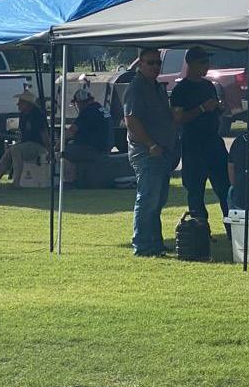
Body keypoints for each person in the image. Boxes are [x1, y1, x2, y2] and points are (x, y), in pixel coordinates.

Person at [125, 47, 179, 256]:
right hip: (147, 152)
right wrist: (150, 144)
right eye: (150, 62)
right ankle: (142, 245)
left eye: (158, 63)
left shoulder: (156, 86)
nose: (155, 66)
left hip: (162, 150)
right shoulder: (136, 88)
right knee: (148, 199)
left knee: (158, 200)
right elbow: (131, 120)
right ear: (140, 64)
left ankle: (154, 242)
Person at [170, 46, 231, 227]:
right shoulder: (181, 90)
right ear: (190, 64)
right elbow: (178, 119)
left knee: (225, 188)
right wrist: (202, 108)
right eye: (202, 62)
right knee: (195, 191)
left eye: (208, 62)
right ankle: (199, 231)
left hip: (214, 142)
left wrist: (220, 108)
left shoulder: (208, 85)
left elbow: (215, 110)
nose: (206, 66)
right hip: (193, 145)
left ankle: (231, 229)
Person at [0, 90, 50, 188]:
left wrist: (49, 151)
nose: (18, 104)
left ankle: (16, 182)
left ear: (27, 103)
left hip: (38, 146)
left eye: (21, 102)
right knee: (9, 152)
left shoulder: (37, 115)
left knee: (16, 150)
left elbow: (44, 134)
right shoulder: (23, 115)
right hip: (26, 144)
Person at [61, 87, 113, 170]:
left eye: (76, 104)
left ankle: (71, 176)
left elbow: (71, 131)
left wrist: (58, 145)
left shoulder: (88, 112)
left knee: (63, 152)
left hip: (93, 150)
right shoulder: (102, 109)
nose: (77, 106)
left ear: (80, 102)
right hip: (105, 148)